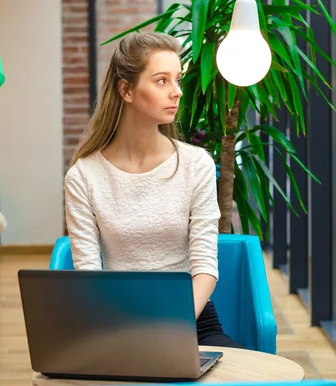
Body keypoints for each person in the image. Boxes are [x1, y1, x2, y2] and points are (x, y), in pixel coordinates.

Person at [64, 32, 243, 349]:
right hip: (116, 323)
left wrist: (171, 326)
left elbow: (204, 267)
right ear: (126, 90)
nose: (176, 92)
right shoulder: (83, 176)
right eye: (162, 81)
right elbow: (88, 275)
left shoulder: (196, 164)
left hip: (192, 320)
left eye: (178, 80)